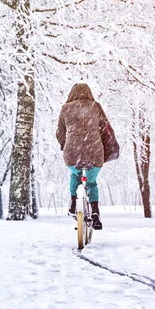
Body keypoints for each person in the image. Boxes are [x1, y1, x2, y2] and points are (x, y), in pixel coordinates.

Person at [56, 83, 114, 230]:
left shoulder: (66, 108)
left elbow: (60, 133)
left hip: (71, 153)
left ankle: (73, 201)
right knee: (91, 182)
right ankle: (95, 211)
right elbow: (105, 129)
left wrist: (65, 144)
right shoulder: (95, 106)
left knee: (75, 175)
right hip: (94, 151)